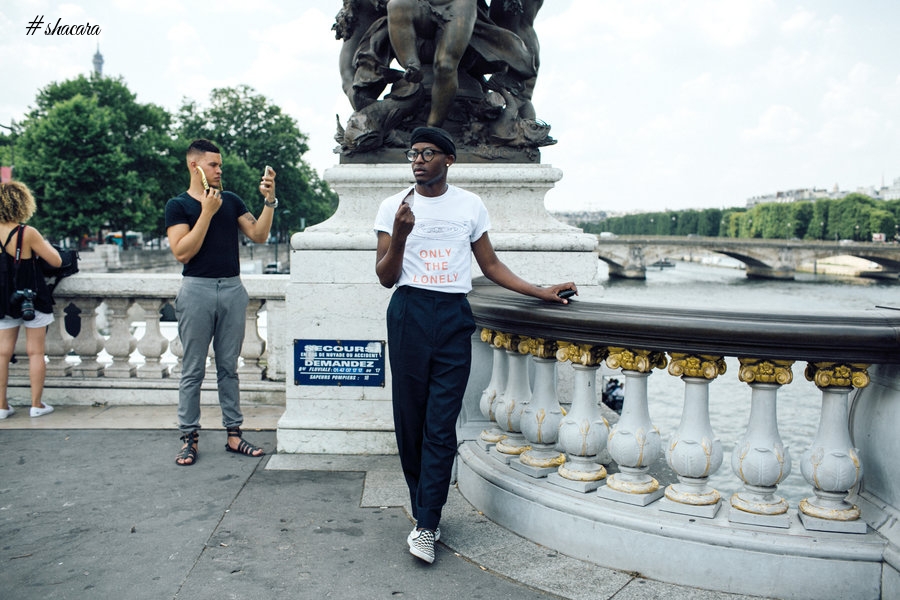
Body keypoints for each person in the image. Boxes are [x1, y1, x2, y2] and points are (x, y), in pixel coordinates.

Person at [374, 126, 577, 563]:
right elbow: (385, 276)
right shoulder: (394, 207)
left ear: (449, 160)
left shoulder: (470, 205)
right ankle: (423, 508)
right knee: (410, 421)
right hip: (408, 309)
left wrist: (540, 291)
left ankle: (427, 522)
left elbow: (490, 264)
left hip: (452, 313)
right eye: (413, 153)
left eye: (429, 153)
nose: (418, 159)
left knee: (441, 422)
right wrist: (401, 234)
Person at [165, 139, 278, 466]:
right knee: (193, 368)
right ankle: (189, 437)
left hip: (231, 288)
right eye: (213, 165)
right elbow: (183, 251)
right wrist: (206, 213)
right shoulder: (178, 205)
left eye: (220, 165)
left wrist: (269, 201)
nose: (219, 170)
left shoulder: (230, 200)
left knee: (229, 367)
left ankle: (234, 434)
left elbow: (259, 235)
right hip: (196, 289)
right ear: (194, 166)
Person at [0, 181, 62, 419]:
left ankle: (2, 407)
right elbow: (55, 261)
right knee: (36, 352)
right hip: (32, 296)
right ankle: (36, 404)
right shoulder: (28, 233)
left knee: (2, 353)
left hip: (3, 298)